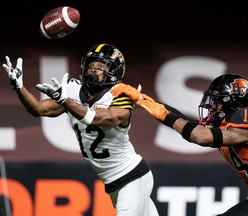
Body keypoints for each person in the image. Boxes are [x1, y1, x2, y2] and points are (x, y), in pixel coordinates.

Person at [2, 43, 159, 216]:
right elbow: (39, 109)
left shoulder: (121, 95)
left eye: (100, 67)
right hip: (114, 184)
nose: (93, 70)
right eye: (91, 65)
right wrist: (19, 87)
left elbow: (101, 118)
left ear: (114, 71)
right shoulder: (73, 90)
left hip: (132, 177)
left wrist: (65, 101)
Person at [112, 74, 248, 216]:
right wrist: (144, 100)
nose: (212, 106)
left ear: (232, 103)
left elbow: (199, 136)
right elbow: (189, 126)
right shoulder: (225, 127)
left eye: (218, 101)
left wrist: (163, 114)